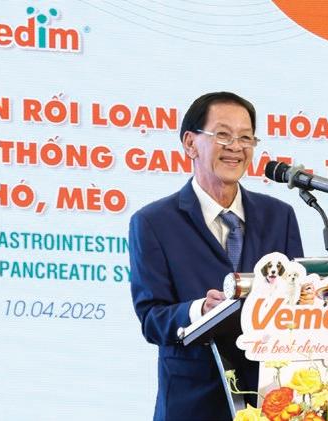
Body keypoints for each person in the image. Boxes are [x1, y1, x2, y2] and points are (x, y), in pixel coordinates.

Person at [130, 92, 303, 421]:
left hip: (269, 400)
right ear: (190, 144)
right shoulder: (154, 222)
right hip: (193, 404)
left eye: (246, 138)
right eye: (223, 135)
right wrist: (200, 310)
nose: (236, 147)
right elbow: (152, 319)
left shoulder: (279, 216)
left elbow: (295, 299)